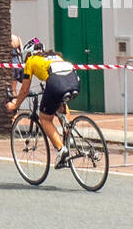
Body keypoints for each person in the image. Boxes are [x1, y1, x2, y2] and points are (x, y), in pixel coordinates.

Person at [6, 39, 79, 168]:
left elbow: (24, 90)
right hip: (73, 79)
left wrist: (15, 105)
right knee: (59, 104)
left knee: (45, 118)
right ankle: (69, 135)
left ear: (28, 54)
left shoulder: (31, 61)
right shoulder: (54, 56)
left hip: (57, 82)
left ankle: (62, 150)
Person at [9, 32, 23, 99]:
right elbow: (22, 51)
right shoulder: (17, 38)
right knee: (14, 88)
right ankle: (16, 105)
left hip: (10, 62)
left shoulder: (8, 38)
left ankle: (12, 104)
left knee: (11, 89)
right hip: (17, 63)